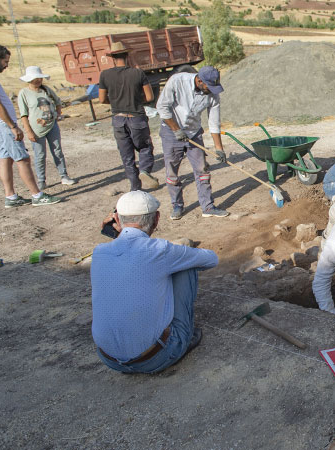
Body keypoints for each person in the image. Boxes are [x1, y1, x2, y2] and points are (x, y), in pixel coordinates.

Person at [90, 190, 218, 374]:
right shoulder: (159, 250)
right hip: (155, 358)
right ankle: (184, 338)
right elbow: (211, 259)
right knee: (186, 265)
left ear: (117, 220)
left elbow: (129, 257)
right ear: (156, 219)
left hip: (108, 359)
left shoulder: (99, 252)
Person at [0, 45, 60, 208]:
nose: (7, 65)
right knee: (23, 159)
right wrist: (12, 126)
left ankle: (11, 197)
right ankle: (37, 195)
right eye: (6, 61)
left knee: (6, 159)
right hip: (2, 125)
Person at [155, 65, 229, 220]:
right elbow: (162, 107)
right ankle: (177, 205)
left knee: (202, 170)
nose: (212, 90)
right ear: (200, 80)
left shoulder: (213, 94)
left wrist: (219, 148)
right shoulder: (177, 81)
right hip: (171, 131)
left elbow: (214, 122)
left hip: (193, 133)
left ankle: (207, 206)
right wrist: (176, 129)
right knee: (172, 171)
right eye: (209, 86)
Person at [98, 41, 159, 192]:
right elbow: (150, 96)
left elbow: (101, 99)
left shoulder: (105, 75)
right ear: (127, 56)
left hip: (118, 118)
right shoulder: (137, 73)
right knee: (145, 147)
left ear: (112, 57)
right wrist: (135, 100)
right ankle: (144, 170)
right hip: (136, 116)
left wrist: (116, 102)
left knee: (127, 156)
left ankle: (135, 188)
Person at [17, 66, 76, 190]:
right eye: (35, 78)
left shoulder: (46, 90)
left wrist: (57, 115)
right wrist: (29, 132)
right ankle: (41, 180)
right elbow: (23, 115)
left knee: (57, 151)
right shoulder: (24, 93)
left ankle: (64, 176)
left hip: (52, 126)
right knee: (40, 154)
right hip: (36, 130)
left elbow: (58, 101)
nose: (38, 80)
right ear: (29, 79)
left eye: (39, 78)